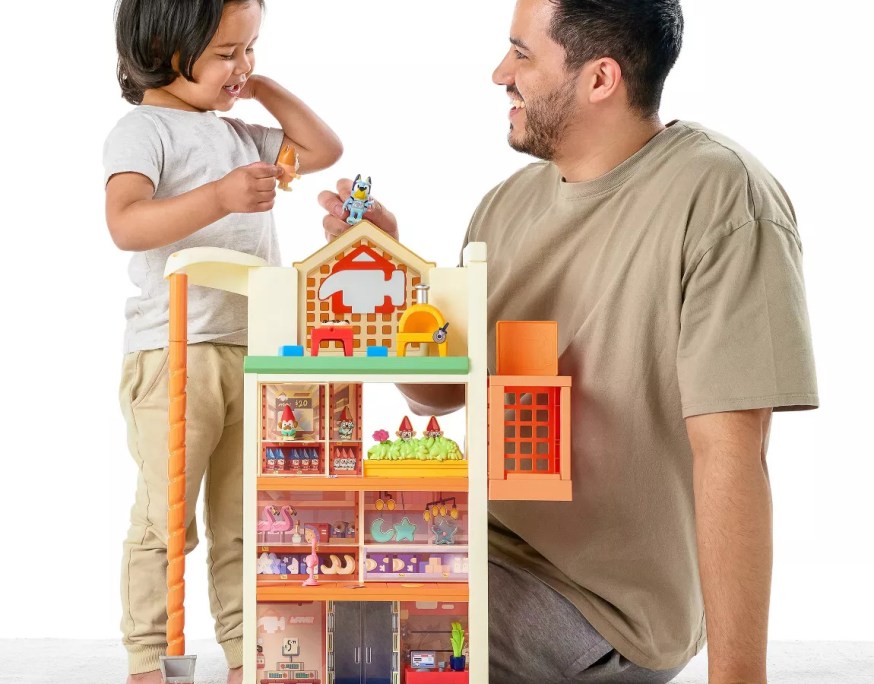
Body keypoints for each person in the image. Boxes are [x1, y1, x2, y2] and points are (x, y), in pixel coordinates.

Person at [319, 0, 818, 682]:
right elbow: (437, 391)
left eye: (522, 55)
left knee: (357, 651)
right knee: (300, 594)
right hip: (480, 547)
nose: (500, 72)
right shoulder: (507, 205)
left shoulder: (722, 198)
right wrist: (394, 274)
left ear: (600, 79)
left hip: (601, 604)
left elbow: (732, 454)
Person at [104, 1, 343, 682]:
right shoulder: (142, 130)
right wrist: (219, 198)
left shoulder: (239, 134)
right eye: (226, 52)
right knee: (166, 518)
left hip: (257, 351)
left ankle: (247, 652)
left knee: (246, 518)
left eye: (251, 48)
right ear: (162, 46)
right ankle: (149, 656)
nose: (243, 65)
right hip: (173, 352)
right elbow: (125, 222)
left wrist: (256, 86)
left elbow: (324, 151)